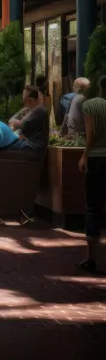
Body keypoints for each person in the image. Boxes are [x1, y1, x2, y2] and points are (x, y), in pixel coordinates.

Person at [78, 75, 106, 273]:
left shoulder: (91, 106)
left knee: (93, 206)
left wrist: (84, 156)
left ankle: (90, 257)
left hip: (96, 159)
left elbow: (91, 133)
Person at [8, 86, 49, 155]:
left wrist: (16, 124)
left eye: (25, 101)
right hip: (29, 144)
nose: (25, 104)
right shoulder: (30, 110)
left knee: (3, 144)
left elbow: (22, 125)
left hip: (32, 146)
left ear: (30, 100)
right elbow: (11, 120)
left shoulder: (39, 109)